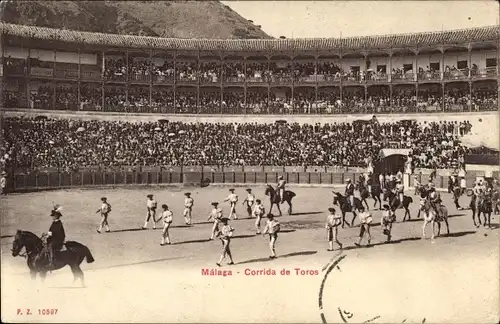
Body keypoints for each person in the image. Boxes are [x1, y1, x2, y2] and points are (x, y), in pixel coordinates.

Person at [47, 204, 66, 270]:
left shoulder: (59, 223)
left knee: (51, 246)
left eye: (53, 216)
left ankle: (51, 262)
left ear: (56, 216)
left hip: (58, 240)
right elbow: (50, 230)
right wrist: (47, 235)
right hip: (53, 239)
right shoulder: (54, 222)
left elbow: (56, 232)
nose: (52, 217)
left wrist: (50, 235)